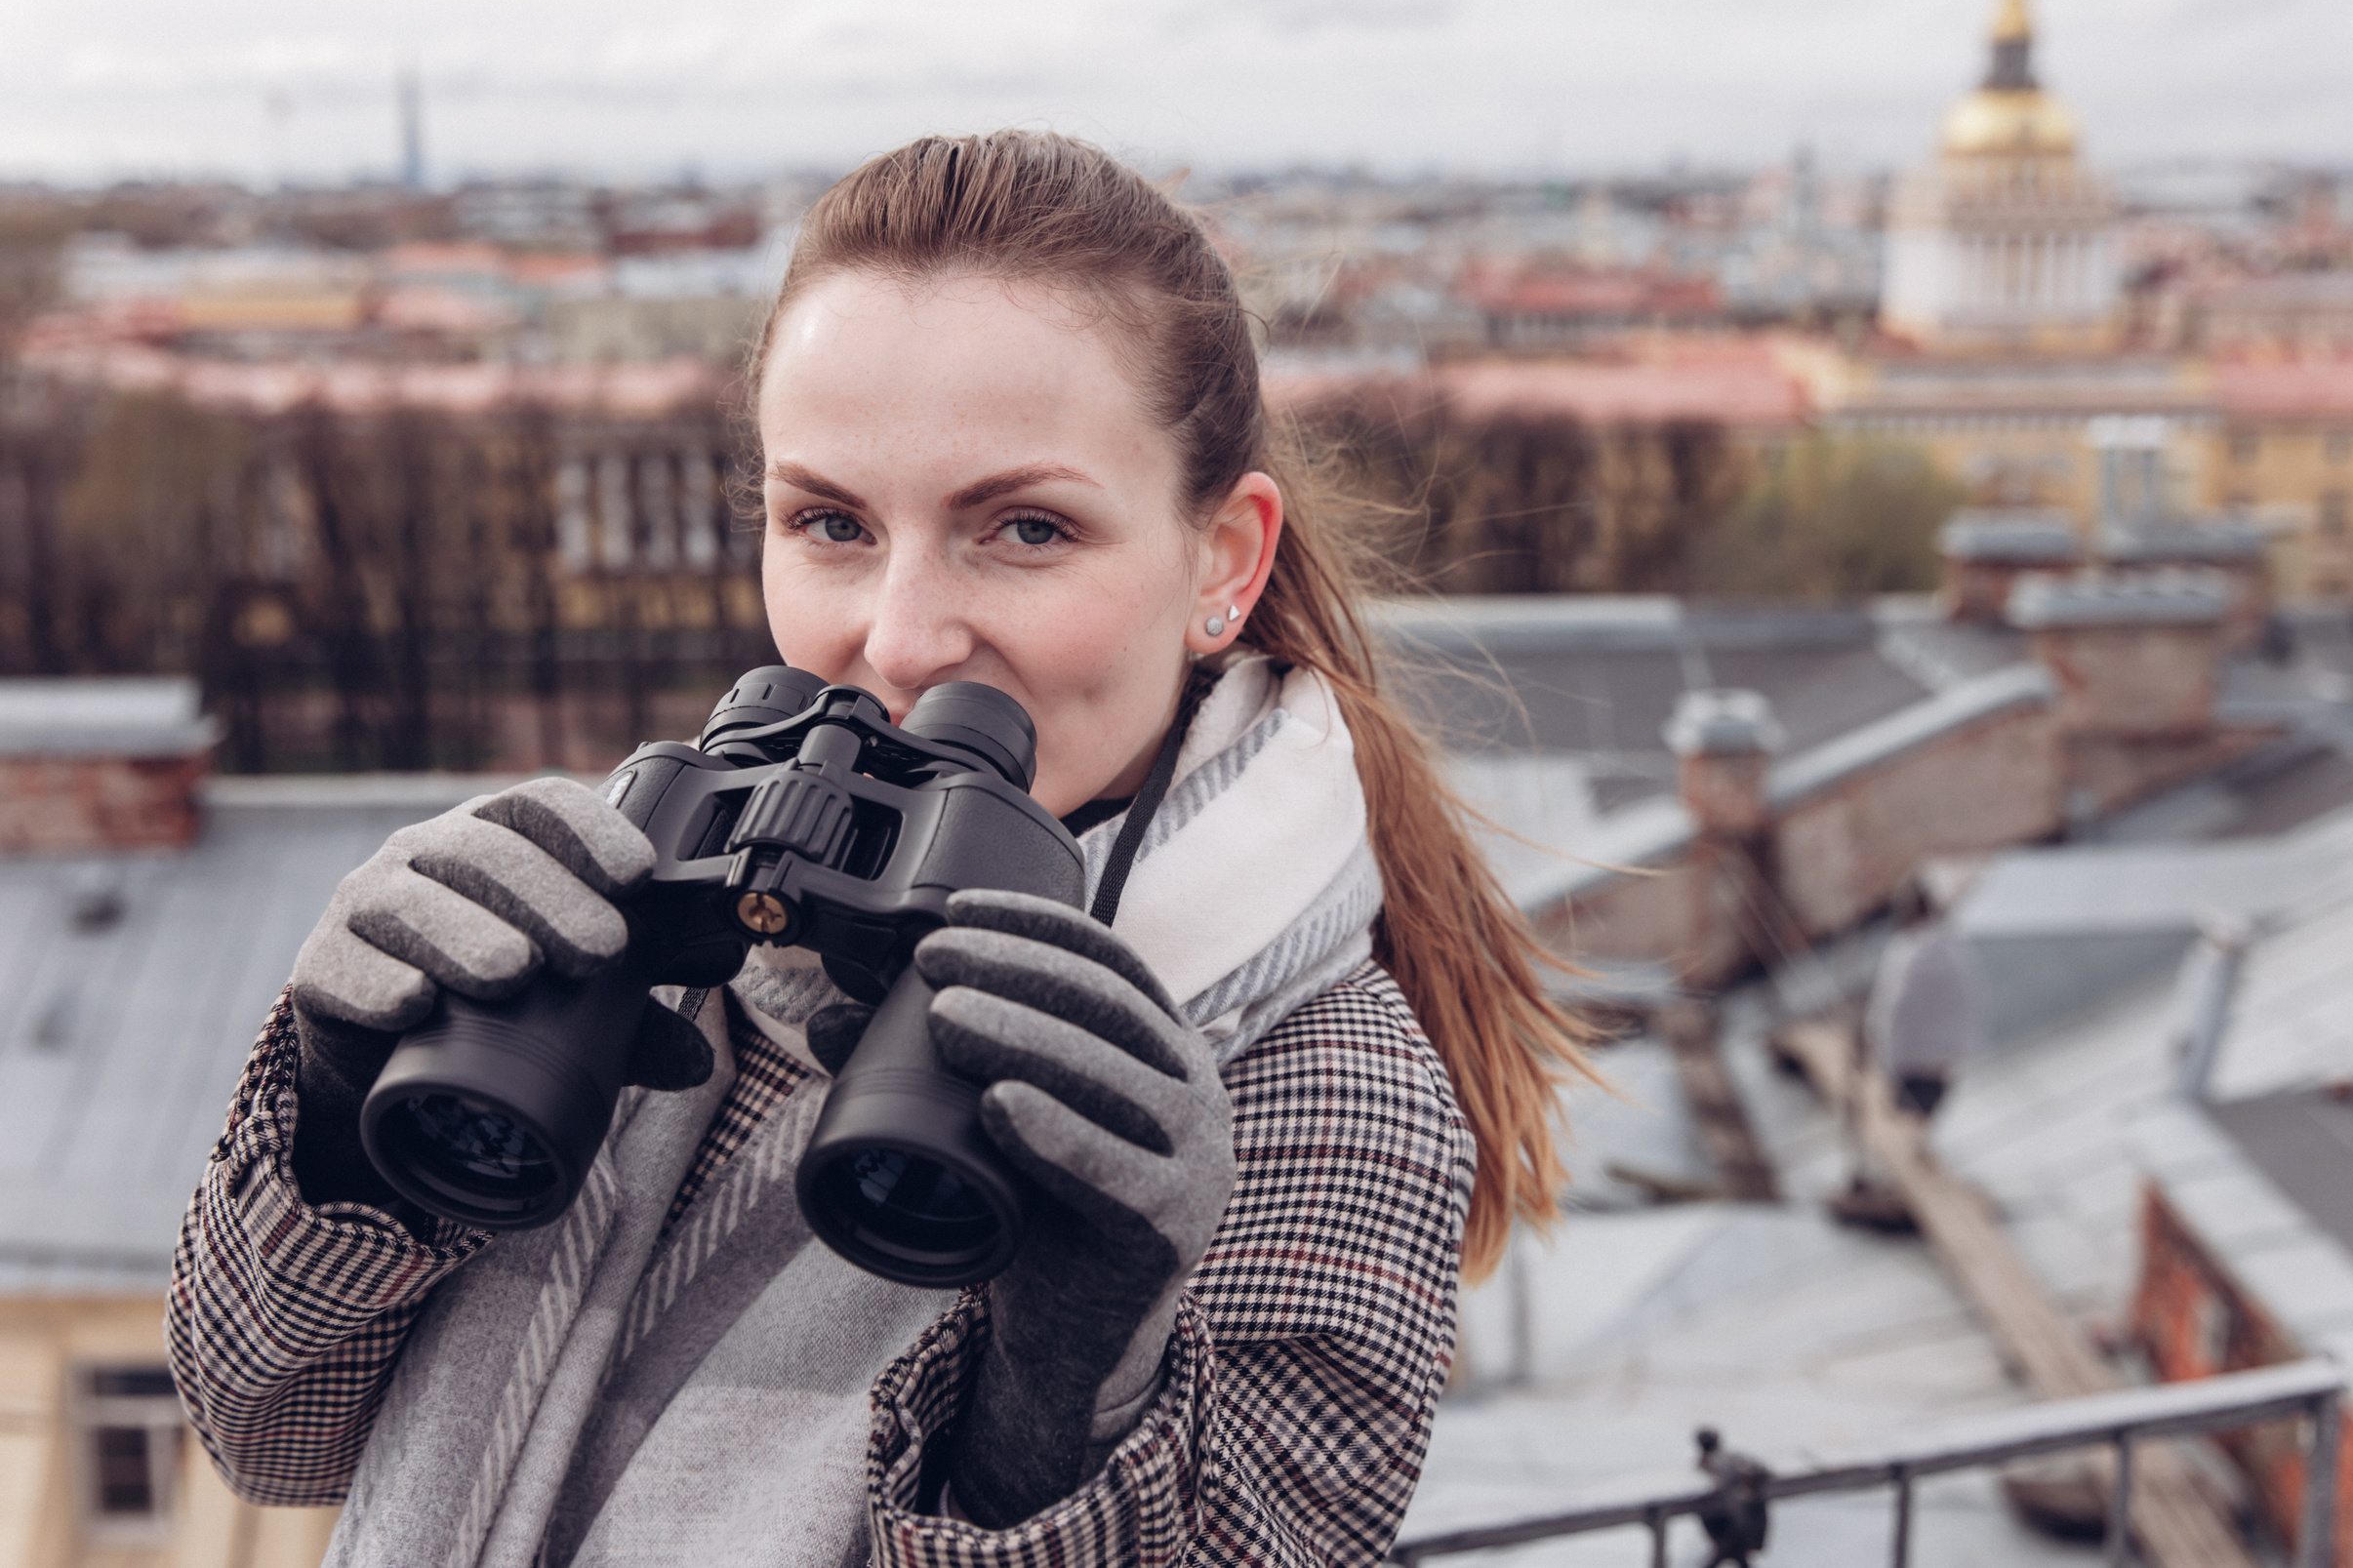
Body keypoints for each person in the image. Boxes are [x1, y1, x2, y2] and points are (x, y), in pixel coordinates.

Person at [166, 132, 1594, 1566]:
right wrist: (349, 1121)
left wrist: (1067, 1392)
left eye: (1026, 527)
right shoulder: (606, 922)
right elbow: (269, 1428)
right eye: (831, 521)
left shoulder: (1325, 1085)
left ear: (1223, 559)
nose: (900, 638)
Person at [1863, 875, 1985, 1122]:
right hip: (1945, 1067)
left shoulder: (1905, 951)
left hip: (1909, 1069)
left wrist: (1882, 1063)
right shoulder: (1953, 945)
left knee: (1903, 1127)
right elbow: (1971, 1001)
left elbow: (1891, 1009)